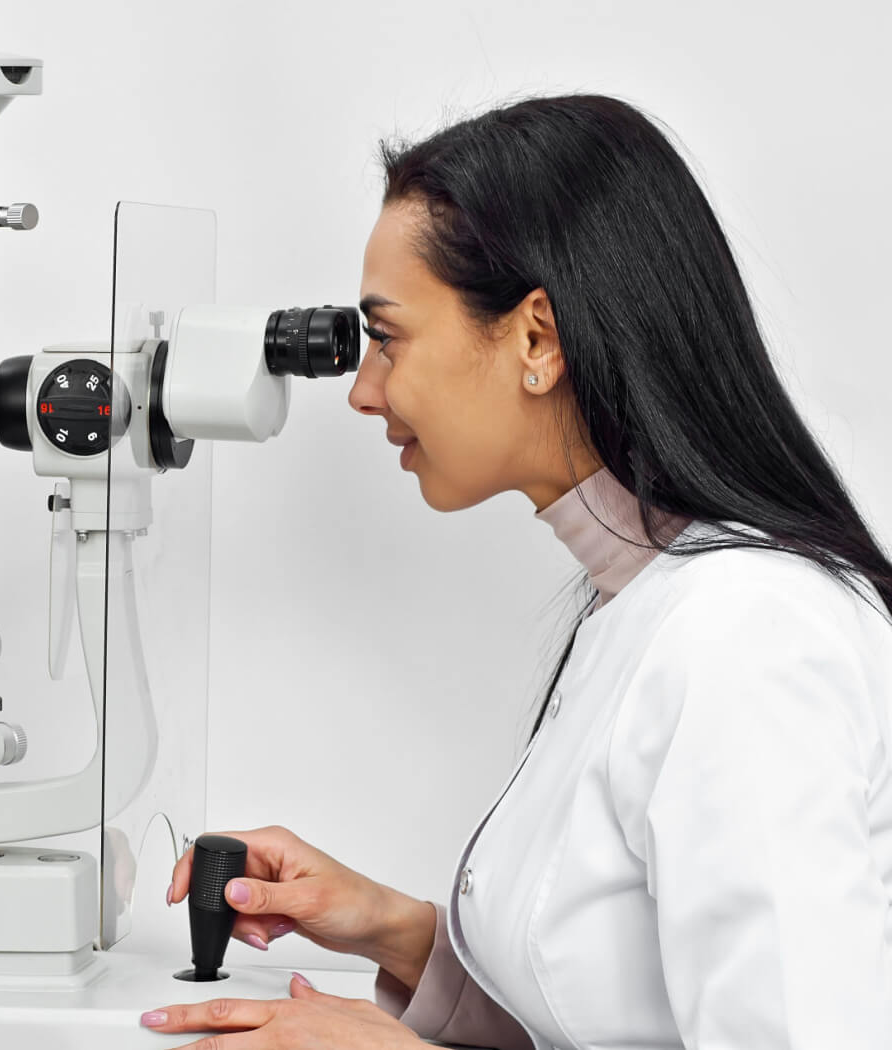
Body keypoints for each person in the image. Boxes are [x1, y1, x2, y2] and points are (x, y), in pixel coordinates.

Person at [144, 94, 892, 1049]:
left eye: (387, 338)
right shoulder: (648, 600)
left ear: (537, 340)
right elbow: (615, 1006)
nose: (365, 393)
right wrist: (397, 931)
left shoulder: (749, 638)